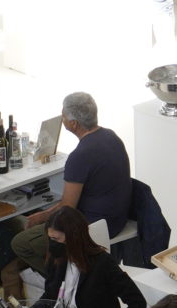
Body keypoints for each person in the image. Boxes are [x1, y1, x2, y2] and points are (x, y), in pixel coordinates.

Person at [11, 94, 132, 278]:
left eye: (64, 115)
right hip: (117, 218)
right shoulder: (111, 136)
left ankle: (68, 279)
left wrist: (40, 216)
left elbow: (67, 208)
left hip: (93, 227)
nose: (62, 117)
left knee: (21, 242)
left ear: (74, 124)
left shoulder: (80, 156)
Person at [26, 206, 145, 308]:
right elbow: (51, 294)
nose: (52, 244)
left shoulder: (102, 263)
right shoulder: (57, 260)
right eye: (50, 238)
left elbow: (137, 303)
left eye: (56, 239)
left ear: (73, 237)